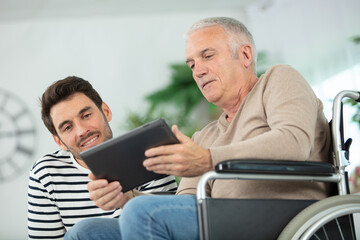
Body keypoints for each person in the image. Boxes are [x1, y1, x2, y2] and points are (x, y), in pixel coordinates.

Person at [65, 17, 331, 240]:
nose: (198, 71)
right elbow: (186, 201)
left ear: (246, 55)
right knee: (87, 231)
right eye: (192, 64)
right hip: (223, 219)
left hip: (288, 212)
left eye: (207, 56)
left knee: (143, 212)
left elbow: (293, 142)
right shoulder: (205, 136)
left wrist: (208, 160)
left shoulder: (278, 79)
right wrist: (126, 198)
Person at [27, 77, 178, 239]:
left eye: (86, 115)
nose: (82, 131)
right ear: (59, 141)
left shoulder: (150, 154)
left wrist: (128, 200)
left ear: (106, 111)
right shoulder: (45, 174)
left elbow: (168, 229)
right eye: (68, 127)